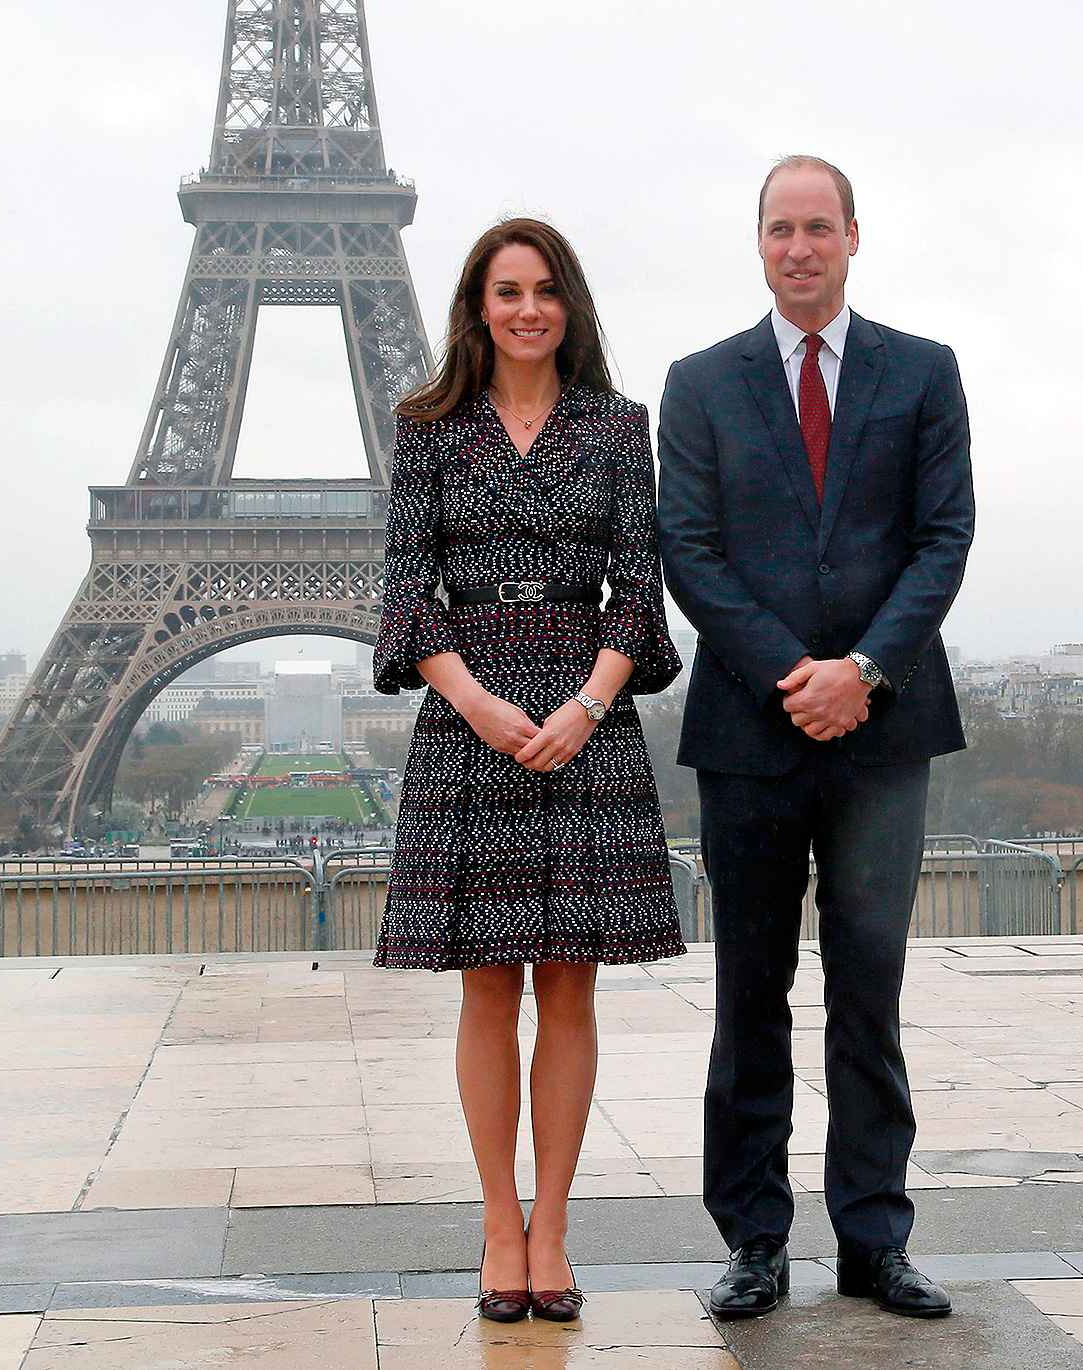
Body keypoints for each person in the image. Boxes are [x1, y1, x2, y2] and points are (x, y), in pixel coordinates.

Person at [657, 156, 975, 1320]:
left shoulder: (923, 372)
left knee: (869, 990)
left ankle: (872, 1237)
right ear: (757, 241)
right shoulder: (697, 383)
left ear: (853, 236)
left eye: (818, 227)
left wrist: (865, 671)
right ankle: (753, 1238)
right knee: (750, 993)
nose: (800, 246)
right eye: (780, 229)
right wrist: (796, 674)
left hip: (881, 732)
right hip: (753, 726)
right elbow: (686, 550)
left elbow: (943, 538)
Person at [371, 218, 686, 1324]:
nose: (526, 309)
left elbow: (640, 587)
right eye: (506, 290)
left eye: (545, 289)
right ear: (476, 305)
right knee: (487, 983)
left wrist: (587, 701)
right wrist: (476, 700)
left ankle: (551, 1222)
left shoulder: (616, 424)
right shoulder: (427, 429)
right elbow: (406, 587)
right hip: (473, 710)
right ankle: (496, 1220)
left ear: (570, 304)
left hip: (582, 706)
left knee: (568, 981)